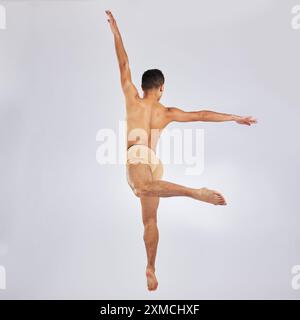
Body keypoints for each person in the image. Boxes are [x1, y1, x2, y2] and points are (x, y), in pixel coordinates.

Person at [105, 10, 257, 291]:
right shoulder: (168, 111)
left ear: (143, 86)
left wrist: (116, 31)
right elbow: (201, 114)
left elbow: (123, 63)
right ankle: (150, 266)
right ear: (161, 88)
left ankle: (194, 193)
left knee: (141, 189)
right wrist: (235, 117)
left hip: (138, 155)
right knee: (149, 219)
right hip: (154, 164)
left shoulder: (132, 97)